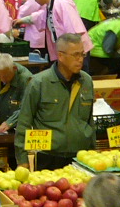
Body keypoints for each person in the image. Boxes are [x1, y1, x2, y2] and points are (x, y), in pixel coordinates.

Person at [13, 33, 95, 171]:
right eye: (76, 55)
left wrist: (93, 153)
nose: (80, 60)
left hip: (80, 157)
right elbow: (24, 122)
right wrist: (22, 160)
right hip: (48, 157)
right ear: (61, 56)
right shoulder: (38, 83)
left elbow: (89, 121)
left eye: (82, 54)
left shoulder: (86, 81)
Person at [17, 0, 91, 63]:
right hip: (66, 50)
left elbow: (74, 29)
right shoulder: (49, 6)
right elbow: (38, 17)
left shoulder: (62, 2)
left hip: (76, 50)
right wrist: (21, 20)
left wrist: (74, 53)